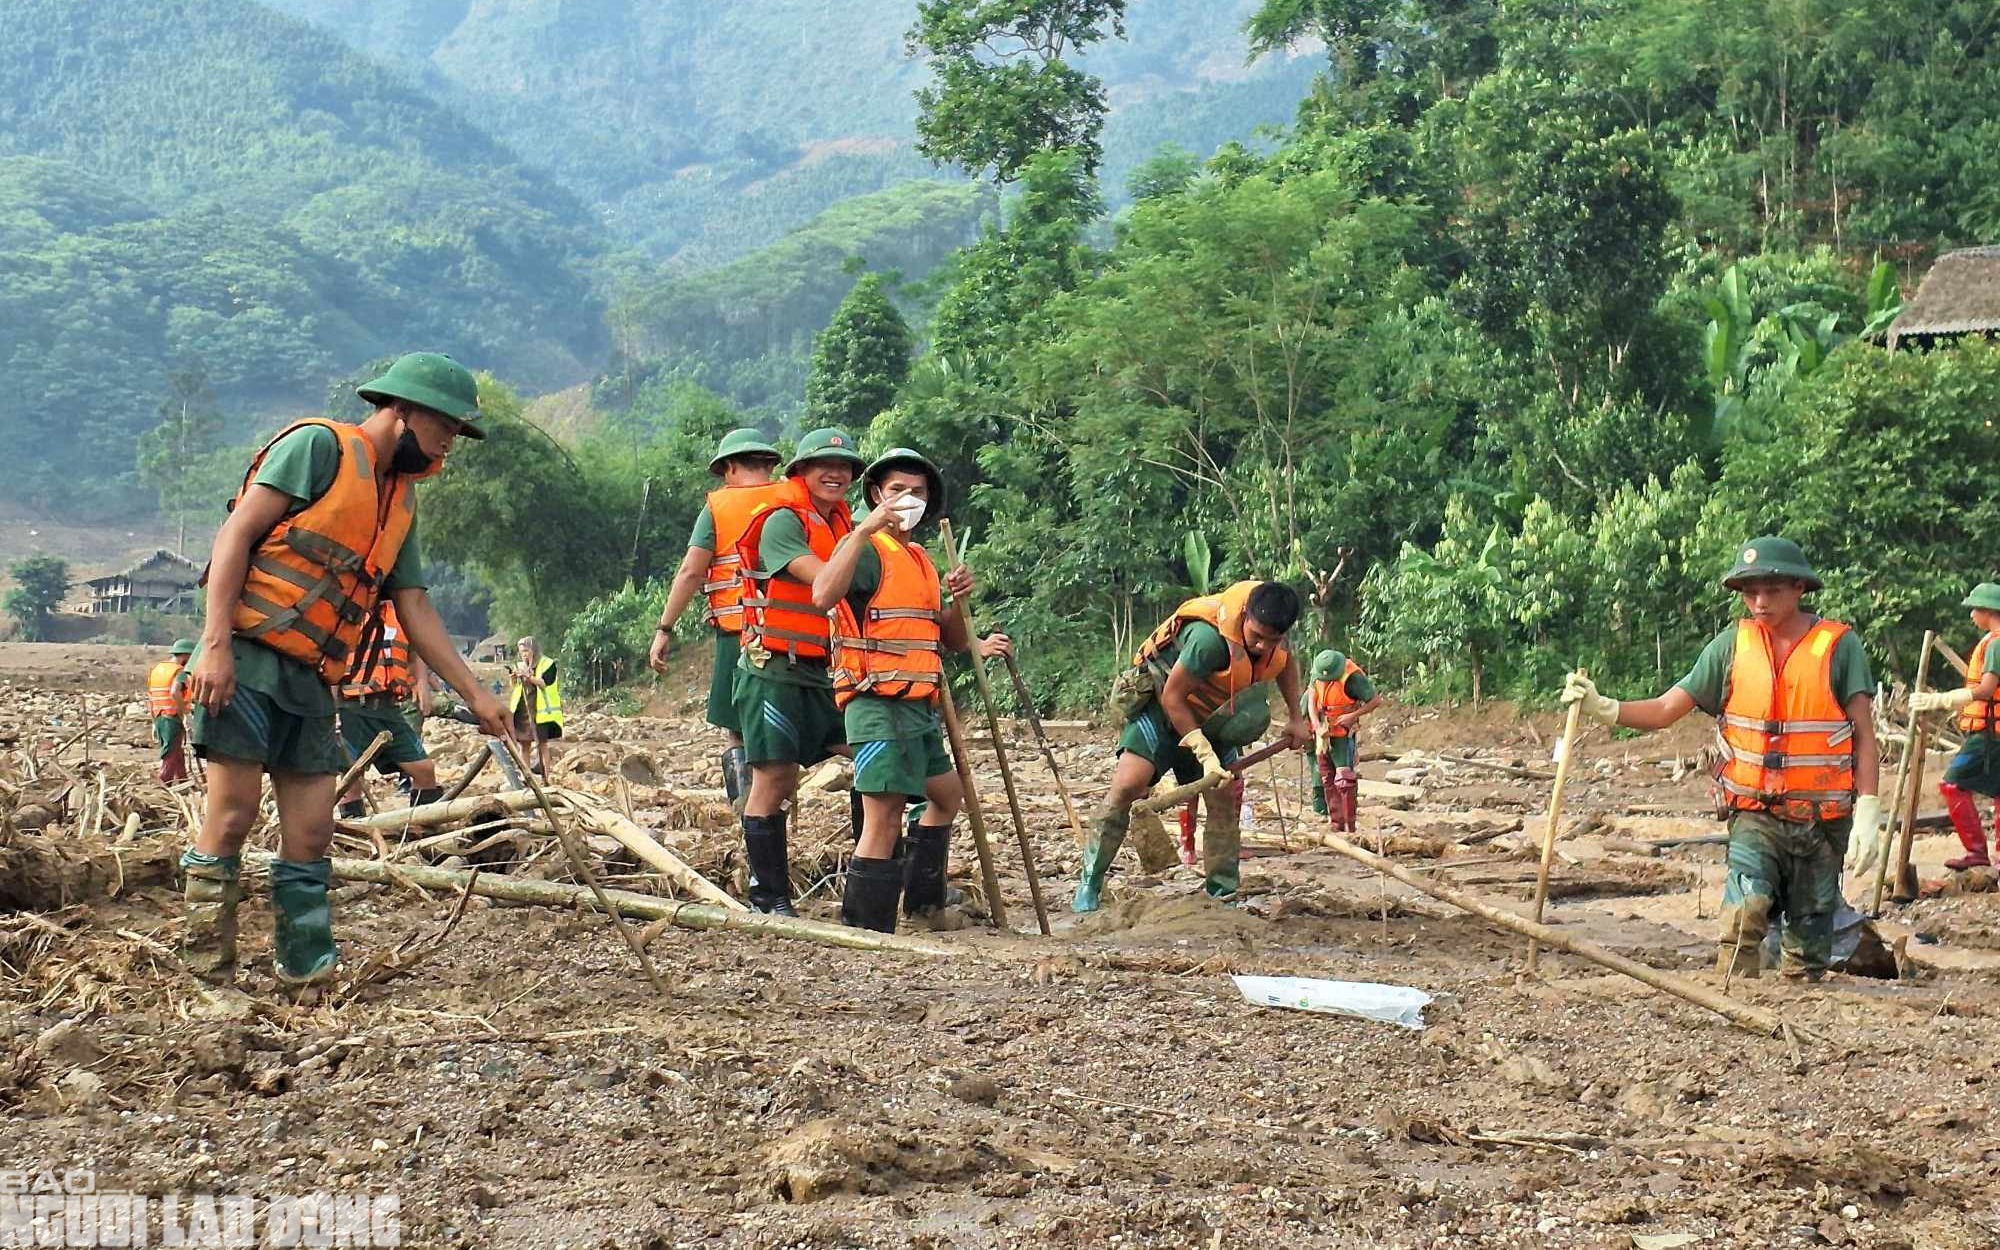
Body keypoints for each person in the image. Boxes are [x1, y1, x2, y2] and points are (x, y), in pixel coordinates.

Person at [179, 352, 511, 987]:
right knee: (231, 817)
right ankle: (208, 977)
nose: (449, 443)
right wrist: (215, 643)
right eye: (445, 427)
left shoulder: (401, 503)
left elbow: (413, 604)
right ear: (403, 411)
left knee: (312, 832)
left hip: (312, 679)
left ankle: (307, 972)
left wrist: (476, 694)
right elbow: (236, 536)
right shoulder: (316, 447)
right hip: (245, 658)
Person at [1561, 536, 1881, 981]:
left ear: (1799, 589)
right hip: (1754, 813)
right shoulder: (1731, 647)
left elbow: (1865, 736)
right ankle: (1733, 994)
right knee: (1745, 909)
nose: (1759, 602)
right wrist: (1605, 707)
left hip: (1821, 822)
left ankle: (1799, 1003)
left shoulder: (1839, 647)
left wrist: (1869, 808)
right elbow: (1665, 709)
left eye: (1771, 591)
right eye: (1750, 592)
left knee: (1809, 936)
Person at [811, 448, 1012, 931]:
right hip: (876, 702)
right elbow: (822, 596)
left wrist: (957, 602)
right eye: (898, 490)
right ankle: (867, 929)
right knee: (884, 817)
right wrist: (862, 529)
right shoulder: (864, 550)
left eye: (918, 492)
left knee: (946, 795)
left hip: (919, 705)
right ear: (877, 495)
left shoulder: (919, 558)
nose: (908, 500)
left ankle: (923, 908)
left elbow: (951, 639)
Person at [1074, 580, 1312, 912]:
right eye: (1255, 635)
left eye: (1270, 640)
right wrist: (1202, 752)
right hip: (1161, 708)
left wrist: (1296, 718)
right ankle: (1090, 883)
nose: (1259, 646)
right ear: (1244, 614)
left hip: (1213, 716)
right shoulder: (1207, 641)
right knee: (1128, 785)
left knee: (1224, 797)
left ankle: (1222, 892)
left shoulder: (1274, 644)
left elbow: (1284, 664)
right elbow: (1173, 696)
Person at [729, 427, 863, 916]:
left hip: (827, 672)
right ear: (800, 473)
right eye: (824, 466)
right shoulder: (783, 522)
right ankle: (769, 897)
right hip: (775, 670)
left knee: (872, 757)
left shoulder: (844, 525)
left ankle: (867, 884)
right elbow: (826, 582)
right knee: (775, 777)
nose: (836, 474)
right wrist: (867, 538)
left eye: (846, 467)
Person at [648, 429, 785, 810]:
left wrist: (664, 629)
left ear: (729, 467)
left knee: (737, 729)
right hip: (798, 635)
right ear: (771, 464)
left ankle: (749, 815)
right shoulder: (794, 499)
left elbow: (692, 571)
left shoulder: (718, 507)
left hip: (740, 634)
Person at [1910, 582, 2000, 870]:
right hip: (1993, 728)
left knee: (1952, 784)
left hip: (1991, 731)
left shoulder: (1997, 643)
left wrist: (1942, 699)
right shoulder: (1993, 640)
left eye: (1975, 609)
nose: (1972, 614)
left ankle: (1977, 853)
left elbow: (1986, 689)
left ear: (1988, 610)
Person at [334, 600, 442, 819]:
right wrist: (331, 709)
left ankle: (423, 825)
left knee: (423, 770)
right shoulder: (347, 609)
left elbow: (415, 651)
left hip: (389, 708)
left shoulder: (401, 611)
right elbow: (331, 661)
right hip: (353, 707)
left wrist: (421, 683)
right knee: (351, 779)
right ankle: (356, 833)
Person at [1308, 648, 1383, 832]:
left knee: (1344, 779)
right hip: (1323, 732)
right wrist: (1316, 724)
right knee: (1327, 777)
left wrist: (1353, 716)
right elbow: (1311, 699)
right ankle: (1336, 824)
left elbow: (1375, 701)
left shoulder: (1352, 678)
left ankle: (1350, 826)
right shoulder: (1317, 671)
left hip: (1343, 732)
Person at [508, 636, 564, 777]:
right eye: (521, 652)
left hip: (540, 711)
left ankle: (547, 775)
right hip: (523, 710)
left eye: (526, 651)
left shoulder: (547, 664)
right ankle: (526, 776)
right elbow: (515, 687)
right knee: (524, 744)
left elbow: (544, 683)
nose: (524, 654)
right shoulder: (520, 666)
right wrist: (514, 678)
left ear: (533, 649)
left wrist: (528, 677)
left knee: (542, 744)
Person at [148, 638, 197, 784]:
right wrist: (186, 710)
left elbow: (151, 696)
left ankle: (183, 781)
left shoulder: (158, 670)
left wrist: (153, 722)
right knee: (170, 754)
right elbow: (175, 692)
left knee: (176, 751)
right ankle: (164, 783)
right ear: (185, 656)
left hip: (159, 716)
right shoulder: (179, 672)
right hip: (171, 717)